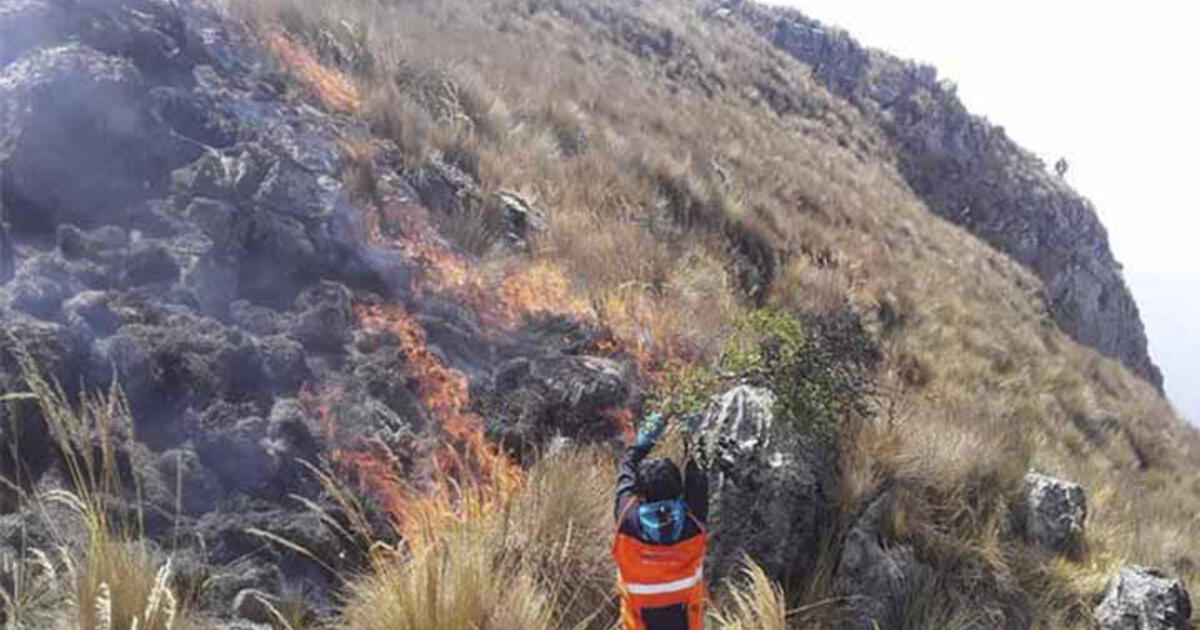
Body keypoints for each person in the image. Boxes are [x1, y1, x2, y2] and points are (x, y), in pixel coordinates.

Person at [612, 412, 709, 630]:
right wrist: (692, 432)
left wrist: (646, 439)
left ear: (641, 497)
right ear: (679, 493)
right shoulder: (692, 521)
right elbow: (699, 470)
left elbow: (627, 467)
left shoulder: (628, 522)